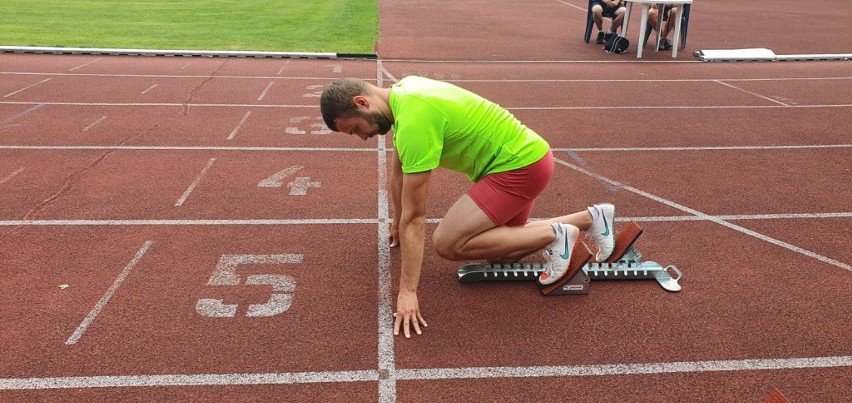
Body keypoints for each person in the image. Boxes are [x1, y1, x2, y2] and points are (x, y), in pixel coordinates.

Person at [320, 76, 617, 338]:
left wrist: (407, 291)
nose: (362, 137)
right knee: (506, 253)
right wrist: (396, 222)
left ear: (361, 102)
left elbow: (416, 217)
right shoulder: (404, 93)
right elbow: (398, 173)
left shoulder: (414, 119)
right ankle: (590, 219)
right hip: (529, 158)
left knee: (448, 243)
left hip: (519, 168)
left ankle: (557, 236)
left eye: (355, 129)